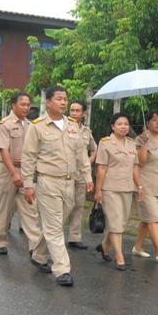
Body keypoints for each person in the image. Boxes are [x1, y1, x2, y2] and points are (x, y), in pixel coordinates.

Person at [22, 86, 93, 286]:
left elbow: (81, 154)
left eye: (65, 99)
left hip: (70, 182)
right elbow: (29, 158)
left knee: (56, 223)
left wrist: (87, 177)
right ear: (49, 102)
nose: (63, 102)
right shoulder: (38, 127)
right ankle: (62, 269)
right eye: (59, 99)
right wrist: (28, 184)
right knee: (54, 226)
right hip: (48, 181)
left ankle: (38, 255)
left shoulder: (73, 126)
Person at [0, 92, 49, 262]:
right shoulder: (5, 125)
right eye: (22, 104)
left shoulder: (32, 125)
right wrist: (14, 173)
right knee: (5, 208)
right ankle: (1, 241)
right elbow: (3, 150)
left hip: (26, 173)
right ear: (13, 105)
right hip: (8, 173)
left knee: (30, 210)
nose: (26, 108)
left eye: (28, 105)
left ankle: (35, 246)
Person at [94, 113, 143, 271]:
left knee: (121, 222)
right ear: (112, 126)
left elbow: (135, 166)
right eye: (120, 124)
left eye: (126, 124)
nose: (123, 127)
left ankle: (104, 246)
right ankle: (120, 257)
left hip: (127, 188)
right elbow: (101, 168)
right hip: (110, 188)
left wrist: (139, 186)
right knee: (115, 221)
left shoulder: (132, 144)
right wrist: (98, 190)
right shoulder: (105, 143)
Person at [132, 111, 158, 264]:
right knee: (154, 218)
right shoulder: (140, 139)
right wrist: (144, 143)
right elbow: (141, 162)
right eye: (154, 120)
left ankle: (138, 246)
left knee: (147, 218)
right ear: (148, 123)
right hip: (145, 184)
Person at [67, 100, 97, 250]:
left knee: (78, 205)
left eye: (77, 111)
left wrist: (88, 162)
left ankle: (74, 237)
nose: (74, 113)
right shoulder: (63, 127)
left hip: (80, 174)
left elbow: (94, 149)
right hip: (65, 172)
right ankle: (55, 236)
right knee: (65, 205)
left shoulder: (86, 131)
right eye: (72, 110)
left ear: (84, 113)